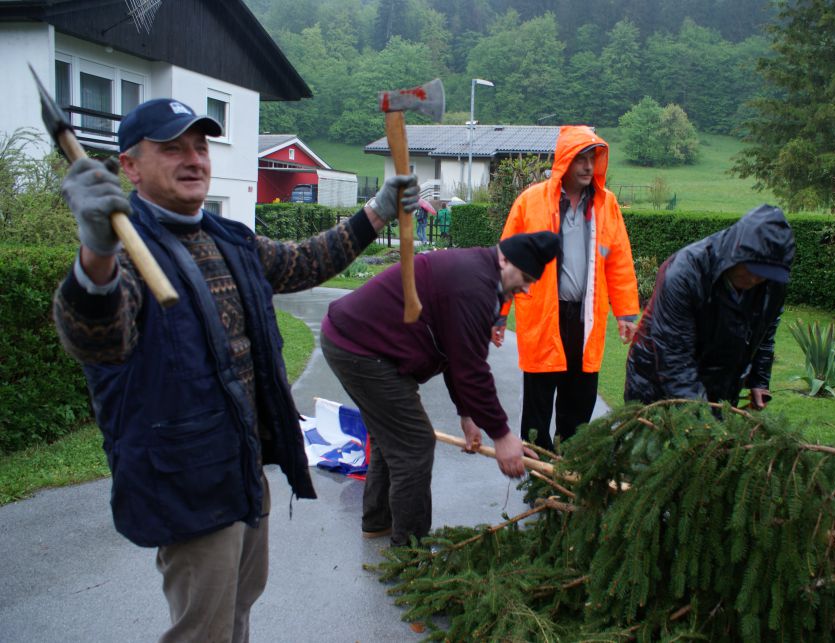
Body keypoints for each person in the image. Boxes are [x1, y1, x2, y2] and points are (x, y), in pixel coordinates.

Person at [52, 97, 420, 642]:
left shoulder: (228, 238)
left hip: (242, 468)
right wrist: (95, 253)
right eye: (171, 148)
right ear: (129, 166)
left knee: (239, 610)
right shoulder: (128, 253)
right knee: (203, 631)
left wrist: (377, 212)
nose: (194, 159)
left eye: (199, 146)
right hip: (189, 480)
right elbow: (96, 338)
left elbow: (305, 260)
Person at [320, 231, 561, 547]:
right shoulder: (475, 287)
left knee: (390, 437)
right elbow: (472, 371)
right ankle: (410, 554)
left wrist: (467, 415)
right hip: (360, 350)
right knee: (415, 444)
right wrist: (501, 436)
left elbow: (454, 353)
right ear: (505, 259)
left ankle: (378, 523)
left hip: (357, 344)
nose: (527, 287)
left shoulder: (481, 275)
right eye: (526, 277)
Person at [495, 125, 640, 452]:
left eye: (593, 158)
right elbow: (506, 261)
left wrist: (626, 312)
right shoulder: (530, 202)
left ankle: (571, 462)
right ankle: (537, 468)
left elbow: (619, 260)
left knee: (581, 393)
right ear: (564, 161)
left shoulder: (607, 205)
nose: (588, 167)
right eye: (581, 159)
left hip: (585, 319)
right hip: (544, 315)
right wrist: (499, 314)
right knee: (539, 396)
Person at [624, 204, 796, 408]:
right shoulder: (683, 274)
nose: (755, 278)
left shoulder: (771, 282)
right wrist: (704, 419)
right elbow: (674, 356)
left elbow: (765, 329)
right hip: (655, 380)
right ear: (736, 252)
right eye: (752, 268)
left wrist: (759, 380)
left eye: (764, 273)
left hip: (719, 382)